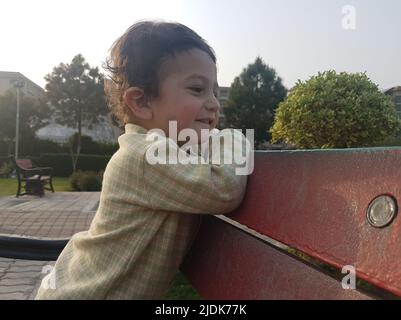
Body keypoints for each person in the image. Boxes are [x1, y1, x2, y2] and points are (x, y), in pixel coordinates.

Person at [35, 20, 251, 299]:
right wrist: (231, 138)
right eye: (198, 89)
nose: (214, 103)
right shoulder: (144, 154)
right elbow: (224, 188)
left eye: (215, 91)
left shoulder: (165, 152)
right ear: (141, 102)